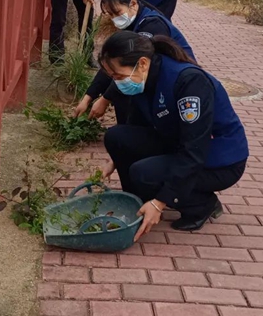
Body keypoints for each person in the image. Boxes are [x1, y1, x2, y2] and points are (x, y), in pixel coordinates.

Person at [98, 31, 248, 240]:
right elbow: (136, 126)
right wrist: (116, 158)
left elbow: (194, 150)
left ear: (142, 63)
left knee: (143, 173)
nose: (117, 83)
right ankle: (136, 201)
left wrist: (160, 203)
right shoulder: (144, 78)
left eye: (119, 76)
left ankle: (202, 205)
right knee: (117, 137)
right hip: (178, 143)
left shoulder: (189, 82)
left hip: (219, 161)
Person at [74, 0, 195, 125]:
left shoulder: (152, 25)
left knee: (126, 87)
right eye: (110, 15)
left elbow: (128, 65)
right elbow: (112, 63)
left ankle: (132, 129)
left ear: (133, 4)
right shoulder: (132, 25)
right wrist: (88, 97)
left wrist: (105, 99)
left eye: (117, 13)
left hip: (178, 82)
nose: (114, 19)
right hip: (158, 75)